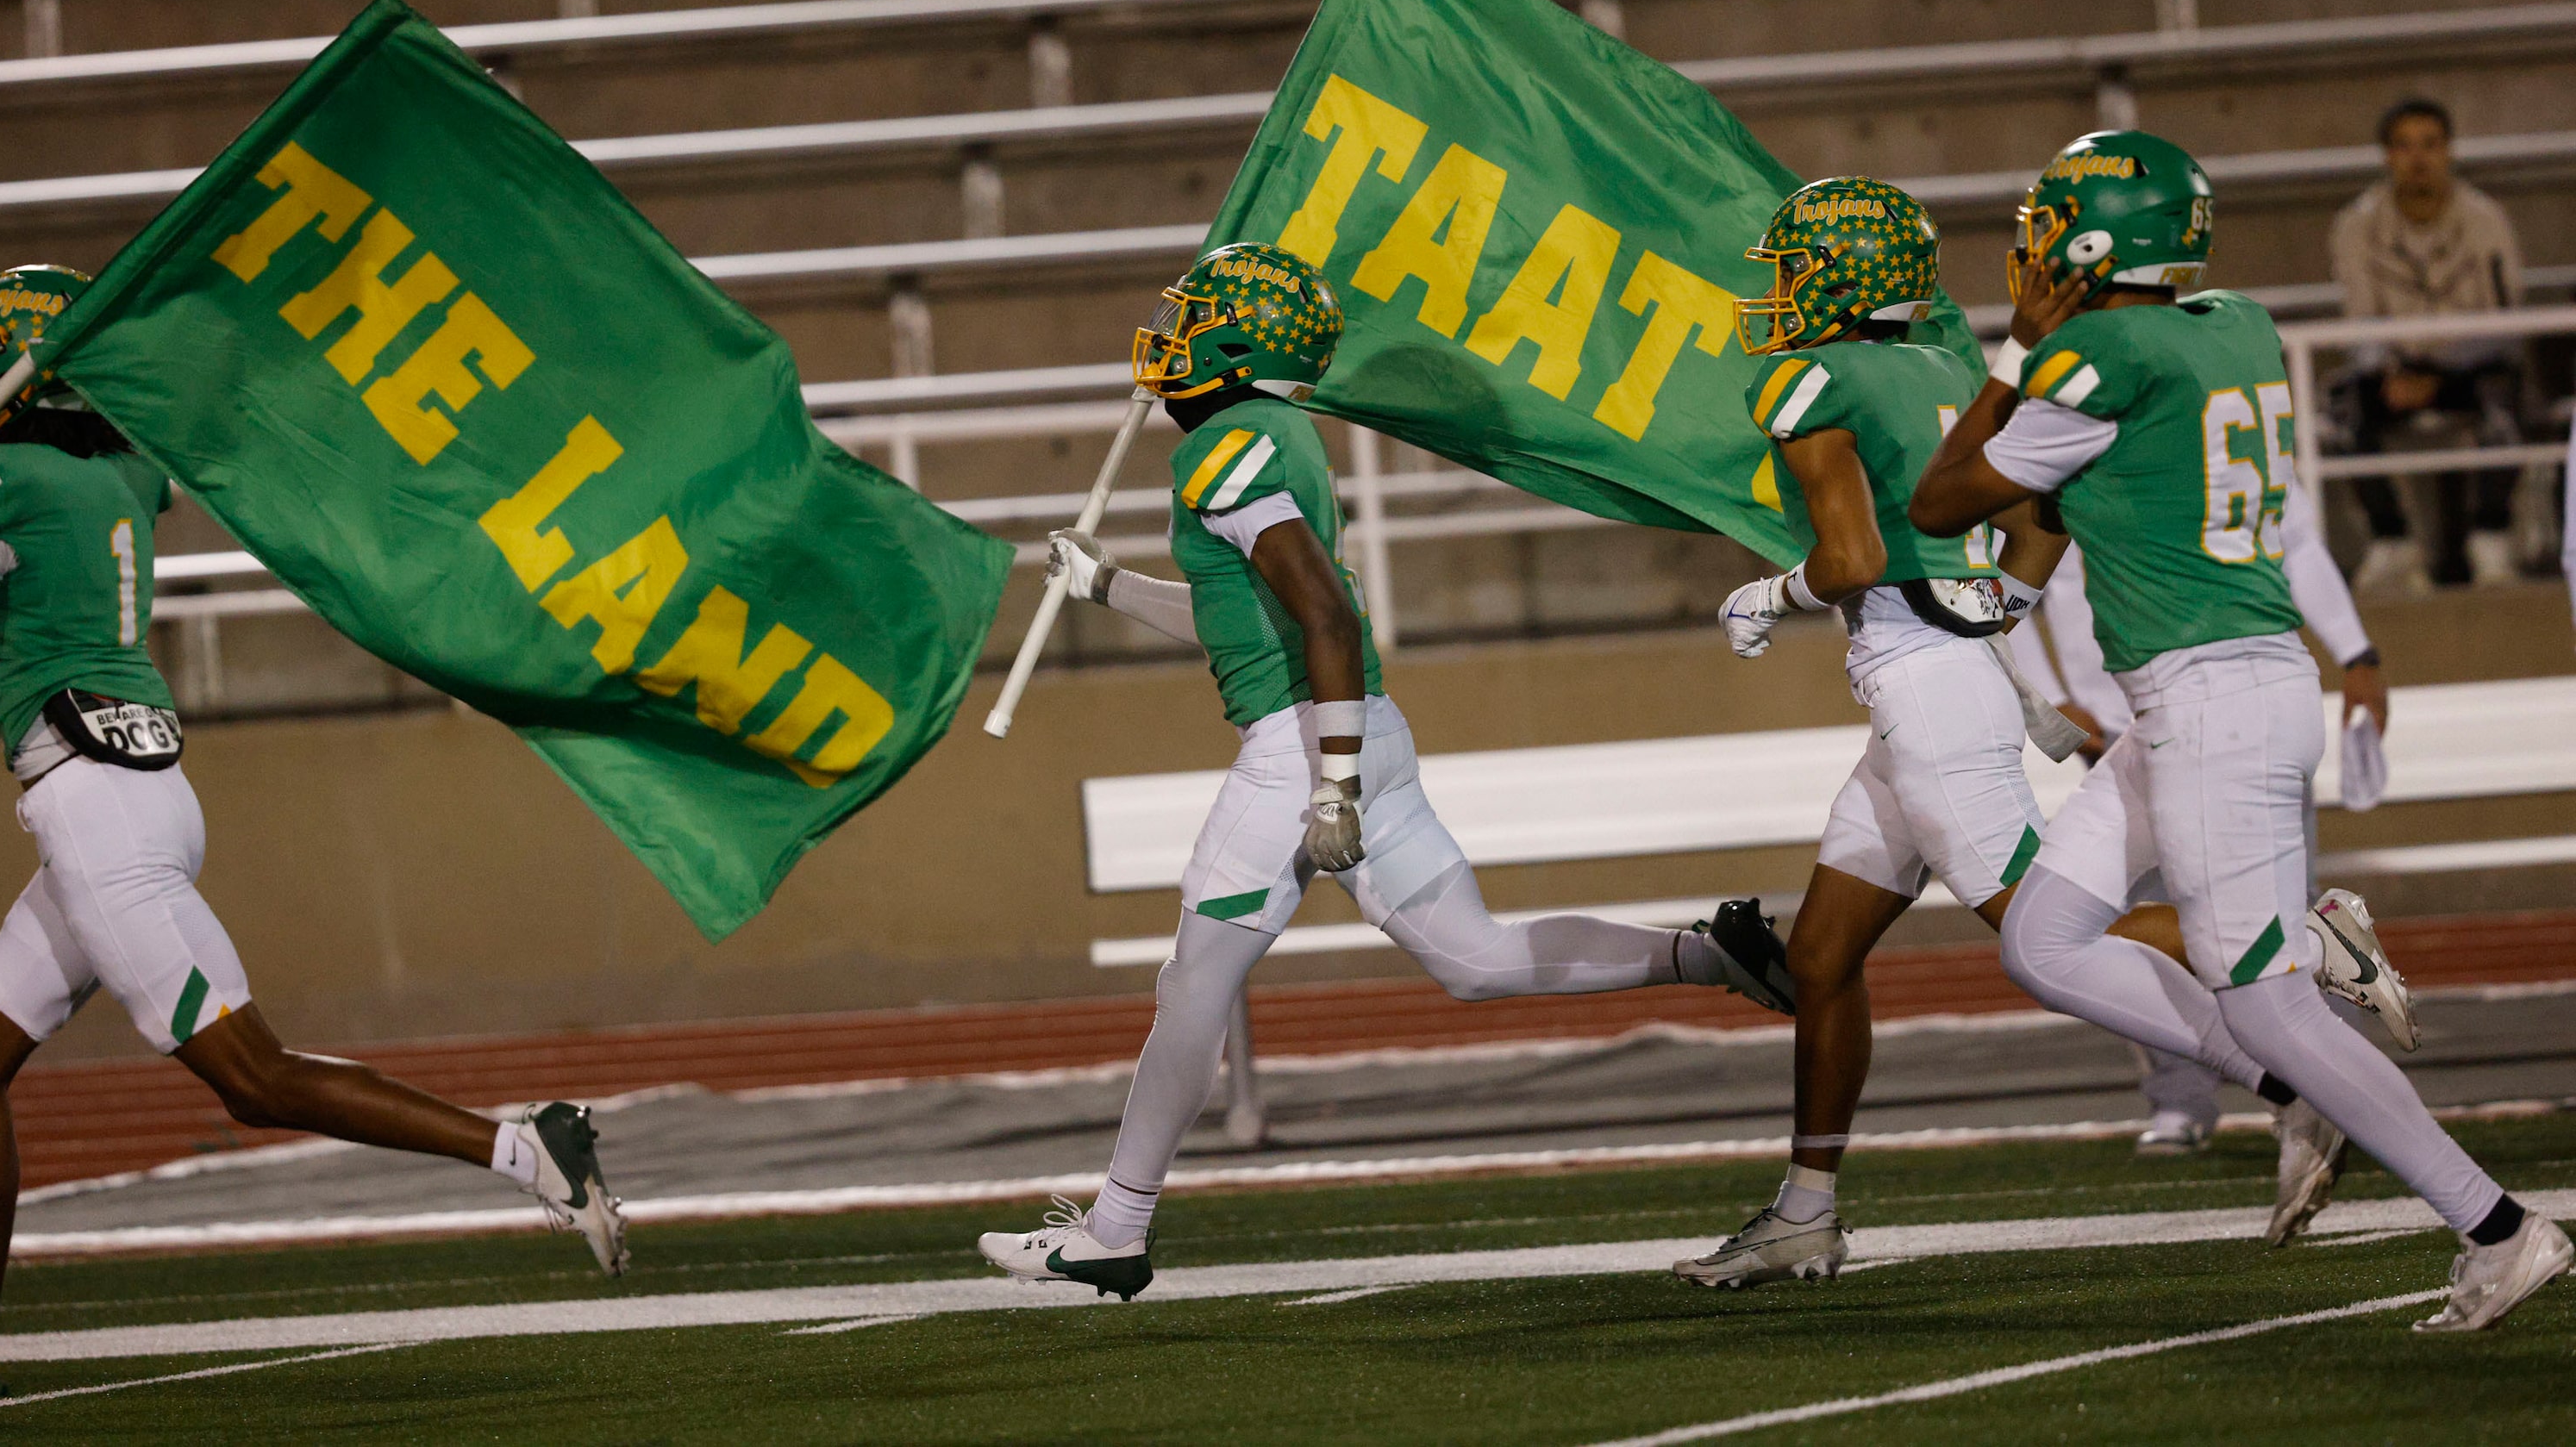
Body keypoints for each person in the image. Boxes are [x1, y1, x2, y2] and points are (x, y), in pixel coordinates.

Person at [0, 267, 629, 1440]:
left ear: (11, 362)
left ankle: (523, 1146)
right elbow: (29, 614)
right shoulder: (116, 470)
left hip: (96, 814)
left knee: (253, 1076)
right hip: (141, 792)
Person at [974, 242, 1797, 1300]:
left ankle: (1116, 1228)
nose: (1171, 336)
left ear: (1234, 341)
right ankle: (1707, 955)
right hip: (1359, 727)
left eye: (1194, 317)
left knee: (1195, 987)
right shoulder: (1276, 437)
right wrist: (1112, 587)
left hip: (1305, 749)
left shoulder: (1226, 446)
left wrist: (1330, 783)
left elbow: (1322, 612)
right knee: (1476, 959)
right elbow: (1259, 624)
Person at [1914, 132, 2569, 1332]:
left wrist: (2018, 345)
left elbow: (1943, 493)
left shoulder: (2097, 350)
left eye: (2058, 217)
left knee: (2263, 997)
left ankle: (2499, 1225)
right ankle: (2299, 1056)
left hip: (2210, 700)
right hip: (2203, 698)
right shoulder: (2236, 321)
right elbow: (2080, 495)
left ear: (2105, 238)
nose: (2039, 238)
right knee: (2047, 939)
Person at [1668, 178, 2075, 1288]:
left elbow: (1848, 561)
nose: (1780, 290)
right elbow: (2046, 507)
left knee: (2050, 937)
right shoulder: (1950, 366)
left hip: (1923, 684)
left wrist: (1771, 593)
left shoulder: (1812, 375)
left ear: (1840, 276)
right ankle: (1806, 1211)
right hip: (1945, 667)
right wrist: (2007, 604)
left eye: (1794, 268)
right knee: (1820, 954)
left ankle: (2296, 968)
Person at [2013, 486, 2408, 1157]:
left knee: (2268, 915)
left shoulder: (2207, 415)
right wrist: (2051, 700)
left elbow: (2298, 541)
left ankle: (2333, 1098)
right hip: (2132, 722)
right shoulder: (2079, 428)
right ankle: (2187, 1095)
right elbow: (2014, 574)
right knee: (2126, 928)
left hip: (2235, 705)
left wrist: (2357, 653)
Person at [2329, 97, 2529, 597]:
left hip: (2472, 367)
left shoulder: (2486, 220)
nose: (2418, 158)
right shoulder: (2355, 226)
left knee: (2509, 396)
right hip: (2392, 373)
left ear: (2448, 151)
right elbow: (2360, 323)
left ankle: (2491, 535)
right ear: (2387, 156)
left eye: (2430, 145)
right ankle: (2391, 541)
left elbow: (2508, 319)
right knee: (2338, 404)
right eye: (2404, 145)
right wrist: (2395, 370)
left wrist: (2439, 373)